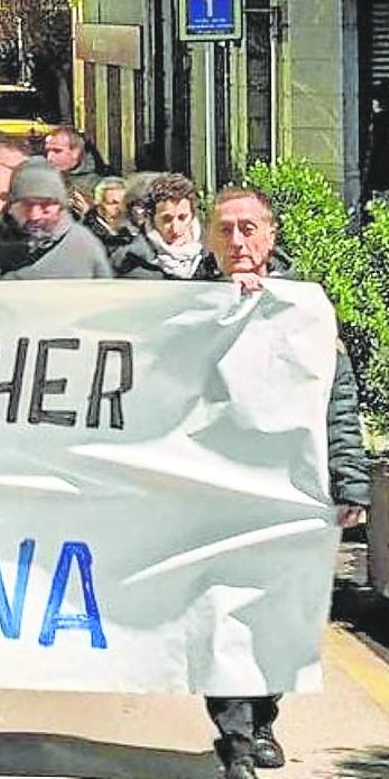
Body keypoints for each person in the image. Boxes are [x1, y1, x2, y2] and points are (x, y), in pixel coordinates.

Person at [201, 186, 370, 779]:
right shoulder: (182, 308)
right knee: (221, 613)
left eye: (249, 229)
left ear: (271, 236)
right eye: (224, 230)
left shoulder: (306, 309)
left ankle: (265, 715)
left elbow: (336, 398)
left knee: (278, 613)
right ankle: (236, 738)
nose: (237, 241)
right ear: (208, 240)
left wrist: (350, 483)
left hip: (288, 493)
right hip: (212, 496)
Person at [0, 158, 112, 280]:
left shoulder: (84, 246)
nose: (34, 215)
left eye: (45, 206)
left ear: (60, 205)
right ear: (12, 204)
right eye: (26, 205)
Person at [111, 173, 205, 279]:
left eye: (182, 217)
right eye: (167, 219)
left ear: (192, 216)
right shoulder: (130, 262)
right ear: (151, 218)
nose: (175, 228)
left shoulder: (214, 254)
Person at [45, 126, 100, 217]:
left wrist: (89, 213)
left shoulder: (99, 184)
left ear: (76, 152)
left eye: (57, 151)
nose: (49, 158)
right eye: (48, 151)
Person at [84, 175, 135, 253]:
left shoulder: (133, 231)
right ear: (98, 205)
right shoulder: (87, 236)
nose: (120, 209)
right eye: (113, 203)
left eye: (124, 203)